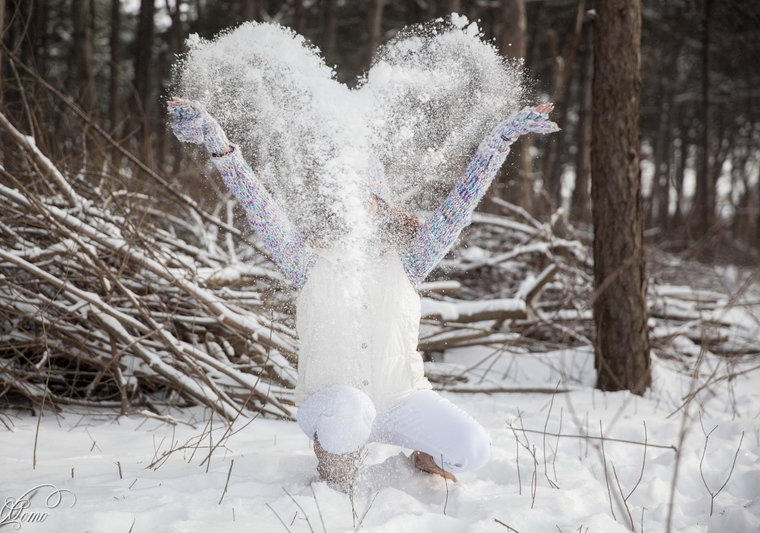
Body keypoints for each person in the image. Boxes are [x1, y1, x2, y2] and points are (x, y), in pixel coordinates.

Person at [167, 96, 559, 491]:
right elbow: (257, 202)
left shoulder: (410, 261)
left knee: (472, 449)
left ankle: (418, 461)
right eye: (348, 203)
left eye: (369, 203)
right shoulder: (304, 260)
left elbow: (460, 205)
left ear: (383, 208)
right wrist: (219, 147)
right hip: (333, 406)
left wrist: (500, 142)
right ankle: (335, 477)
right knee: (352, 409)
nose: (359, 212)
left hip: (400, 400)